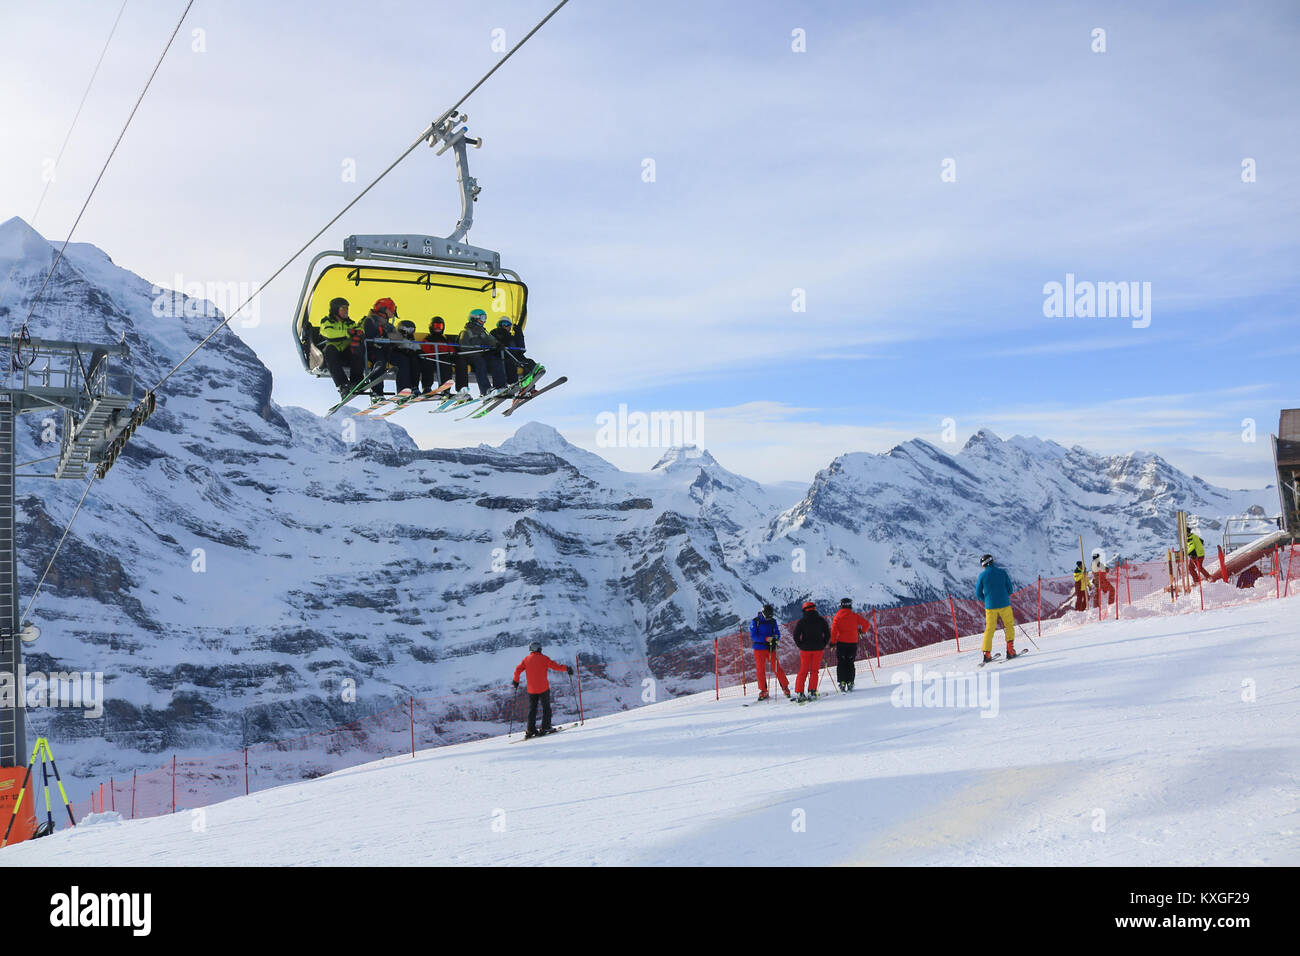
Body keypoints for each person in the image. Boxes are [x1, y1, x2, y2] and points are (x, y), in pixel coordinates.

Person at [511, 641, 572, 738]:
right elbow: (556, 667)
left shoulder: (526, 659)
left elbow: (518, 670)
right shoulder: (544, 658)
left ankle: (530, 730)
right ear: (538, 649)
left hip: (531, 689)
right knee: (546, 708)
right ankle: (545, 727)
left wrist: (515, 681)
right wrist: (567, 668)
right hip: (543, 688)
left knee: (532, 709)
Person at [318, 297, 364, 396]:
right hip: (334, 353)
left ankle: (356, 381)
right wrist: (347, 333)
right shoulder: (327, 321)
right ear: (335, 309)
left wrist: (359, 333)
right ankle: (343, 385)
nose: (346, 310)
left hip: (346, 353)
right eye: (343, 308)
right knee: (329, 350)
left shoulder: (350, 323)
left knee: (357, 347)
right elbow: (328, 333)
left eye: (347, 308)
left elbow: (359, 329)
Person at [976, 553, 1017, 663]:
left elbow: (978, 593)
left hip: (990, 607)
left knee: (989, 629)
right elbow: (1010, 589)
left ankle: (987, 654)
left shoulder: (982, 576)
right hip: (1005, 604)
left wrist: (987, 600)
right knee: (1009, 625)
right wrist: (1004, 597)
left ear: (983, 565)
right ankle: (1010, 650)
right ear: (992, 561)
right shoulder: (1002, 572)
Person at [455, 308, 504, 397]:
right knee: (480, 362)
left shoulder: (483, 332)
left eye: (485, 318)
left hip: (481, 356)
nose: (484, 321)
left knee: (495, 361)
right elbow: (464, 348)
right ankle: (485, 390)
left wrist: (497, 344)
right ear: (474, 318)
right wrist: (477, 351)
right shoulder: (466, 332)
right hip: (469, 357)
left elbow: (490, 340)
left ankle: (500, 386)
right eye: (482, 318)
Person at [747, 604, 790, 700]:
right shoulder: (755, 622)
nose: (768, 618)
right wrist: (766, 639)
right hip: (759, 649)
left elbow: (777, 633)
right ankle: (763, 690)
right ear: (763, 613)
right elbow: (754, 636)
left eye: (770, 616)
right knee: (760, 670)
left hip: (770, 648)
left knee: (777, 667)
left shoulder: (773, 621)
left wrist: (775, 639)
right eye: (767, 616)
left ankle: (785, 687)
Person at [362, 297, 400, 398]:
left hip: (387, 351)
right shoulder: (369, 321)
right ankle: (377, 393)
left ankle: (405, 389)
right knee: (379, 361)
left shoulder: (388, 325)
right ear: (384, 309)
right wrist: (382, 339)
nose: (393, 313)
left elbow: (397, 338)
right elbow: (368, 337)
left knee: (403, 359)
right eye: (391, 309)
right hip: (372, 351)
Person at [792, 601, 831, 701]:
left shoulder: (802, 621)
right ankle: (812, 691)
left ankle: (800, 693)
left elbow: (796, 635)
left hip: (805, 649)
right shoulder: (821, 620)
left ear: (804, 610)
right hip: (818, 649)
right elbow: (827, 634)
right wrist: (823, 644)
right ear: (814, 609)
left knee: (803, 671)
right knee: (814, 671)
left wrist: (801, 645)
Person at [829, 597, 870, 691]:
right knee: (850, 663)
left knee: (841, 663)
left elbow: (834, 631)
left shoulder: (837, 617)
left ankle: (842, 682)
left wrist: (833, 642)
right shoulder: (854, 616)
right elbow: (867, 624)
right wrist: (861, 631)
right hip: (852, 643)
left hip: (841, 643)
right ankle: (850, 682)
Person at [490, 316, 538, 387]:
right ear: (499, 325)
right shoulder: (495, 332)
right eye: (504, 323)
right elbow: (492, 342)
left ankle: (529, 386)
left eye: (508, 324)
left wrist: (519, 334)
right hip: (502, 356)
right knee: (510, 364)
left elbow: (521, 348)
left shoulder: (512, 337)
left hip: (515, 357)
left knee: (529, 362)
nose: (506, 326)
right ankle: (513, 384)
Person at [420, 316, 457, 393]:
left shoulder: (445, 339)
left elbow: (451, 350)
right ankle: (427, 387)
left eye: (440, 326)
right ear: (431, 327)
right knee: (427, 365)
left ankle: (445, 389)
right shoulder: (428, 339)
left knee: (446, 365)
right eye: (436, 326)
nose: (438, 328)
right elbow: (426, 350)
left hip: (442, 359)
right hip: (431, 359)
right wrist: (435, 355)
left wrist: (450, 354)